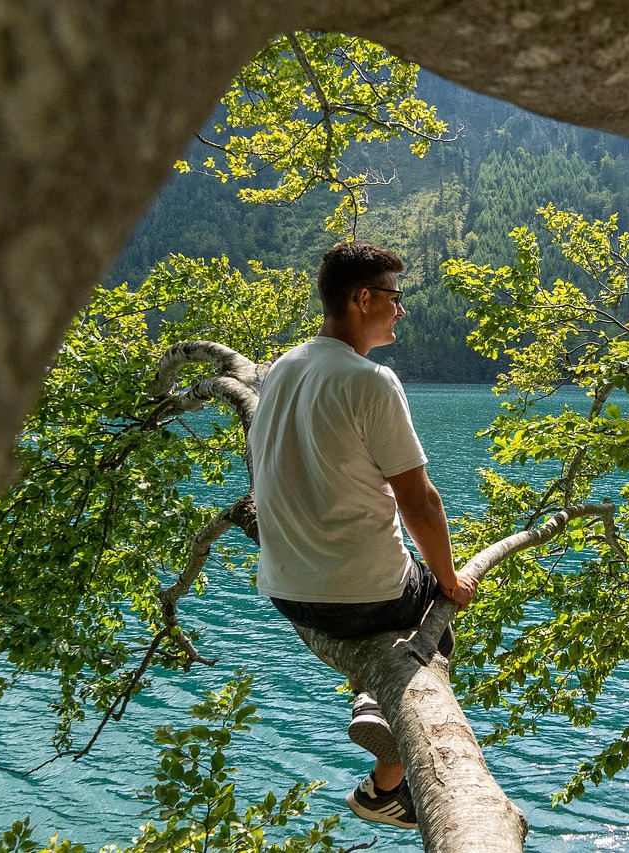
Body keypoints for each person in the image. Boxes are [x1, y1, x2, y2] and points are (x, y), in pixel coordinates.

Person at [248, 241, 478, 830]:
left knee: (416, 584)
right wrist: (450, 580)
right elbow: (421, 503)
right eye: (395, 299)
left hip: (285, 590)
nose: (401, 311)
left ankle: (369, 697)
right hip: (360, 598)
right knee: (434, 598)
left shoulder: (281, 368)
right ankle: (385, 781)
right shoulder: (372, 382)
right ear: (361, 298)